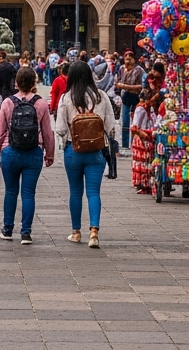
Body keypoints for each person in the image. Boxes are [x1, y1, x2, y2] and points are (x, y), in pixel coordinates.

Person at [54, 60, 118, 248]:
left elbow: (60, 128)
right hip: (96, 151)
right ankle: (94, 232)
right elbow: (110, 126)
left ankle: (76, 232)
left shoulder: (66, 98)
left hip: (73, 150)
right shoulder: (102, 96)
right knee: (93, 192)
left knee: (75, 191)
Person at [0, 66, 55, 244]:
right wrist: (49, 154)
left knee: (11, 192)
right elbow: (48, 133)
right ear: (34, 82)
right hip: (33, 152)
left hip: (10, 152)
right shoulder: (41, 103)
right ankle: (26, 232)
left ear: (16, 83)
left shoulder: (7, 102)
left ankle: (7, 229)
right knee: (28, 194)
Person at [114, 52, 146, 153]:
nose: (127, 60)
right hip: (125, 97)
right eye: (126, 59)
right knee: (125, 121)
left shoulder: (139, 70)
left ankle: (134, 142)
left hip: (136, 97)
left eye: (130, 59)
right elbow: (117, 82)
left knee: (135, 121)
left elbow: (142, 86)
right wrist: (121, 87)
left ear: (133, 59)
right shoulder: (122, 69)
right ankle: (124, 143)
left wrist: (125, 87)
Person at [129, 87, 159, 194]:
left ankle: (149, 184)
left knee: (148, 162)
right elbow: (134, 127)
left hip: (149, 137)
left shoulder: (149, 109)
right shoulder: (140, 109)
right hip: (142, 139)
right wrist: (144, 135)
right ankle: (143, 184)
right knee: (143, 163)